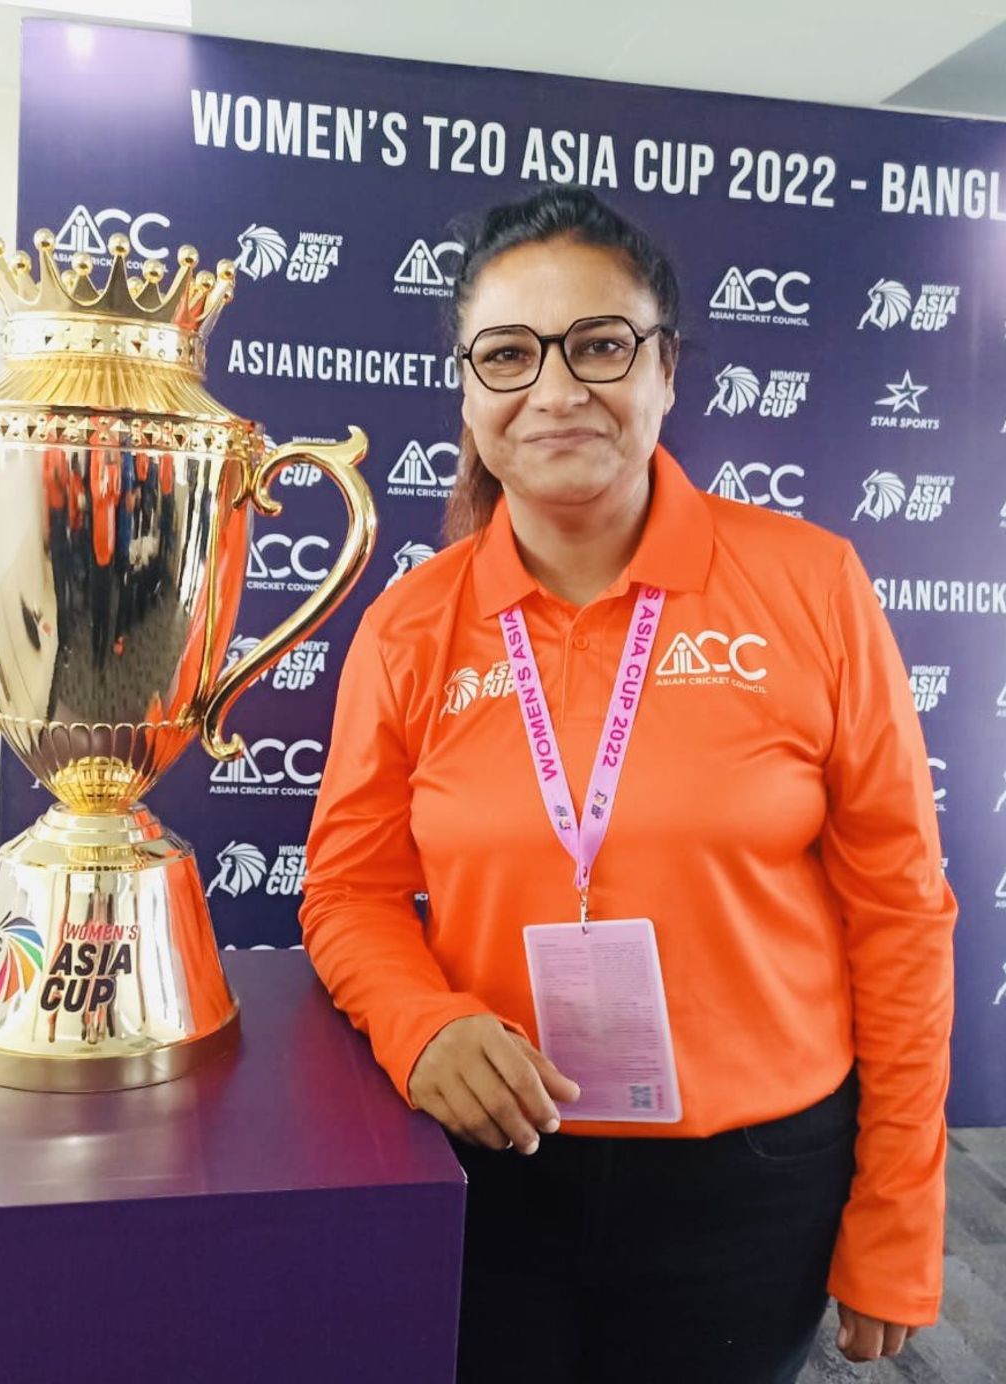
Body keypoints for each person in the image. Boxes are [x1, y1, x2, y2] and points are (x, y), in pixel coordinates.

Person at [299, 186, 956, 1384]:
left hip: (753, 1185)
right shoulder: (411, 628)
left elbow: (902, 914)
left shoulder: (811, 586)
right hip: (491, 1162)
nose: (555, 389)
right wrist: (421, 1018)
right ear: (467, 391)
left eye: (600, 344)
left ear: (666, 371)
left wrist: (899, 1211)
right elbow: (346, 894)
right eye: (508, 354)